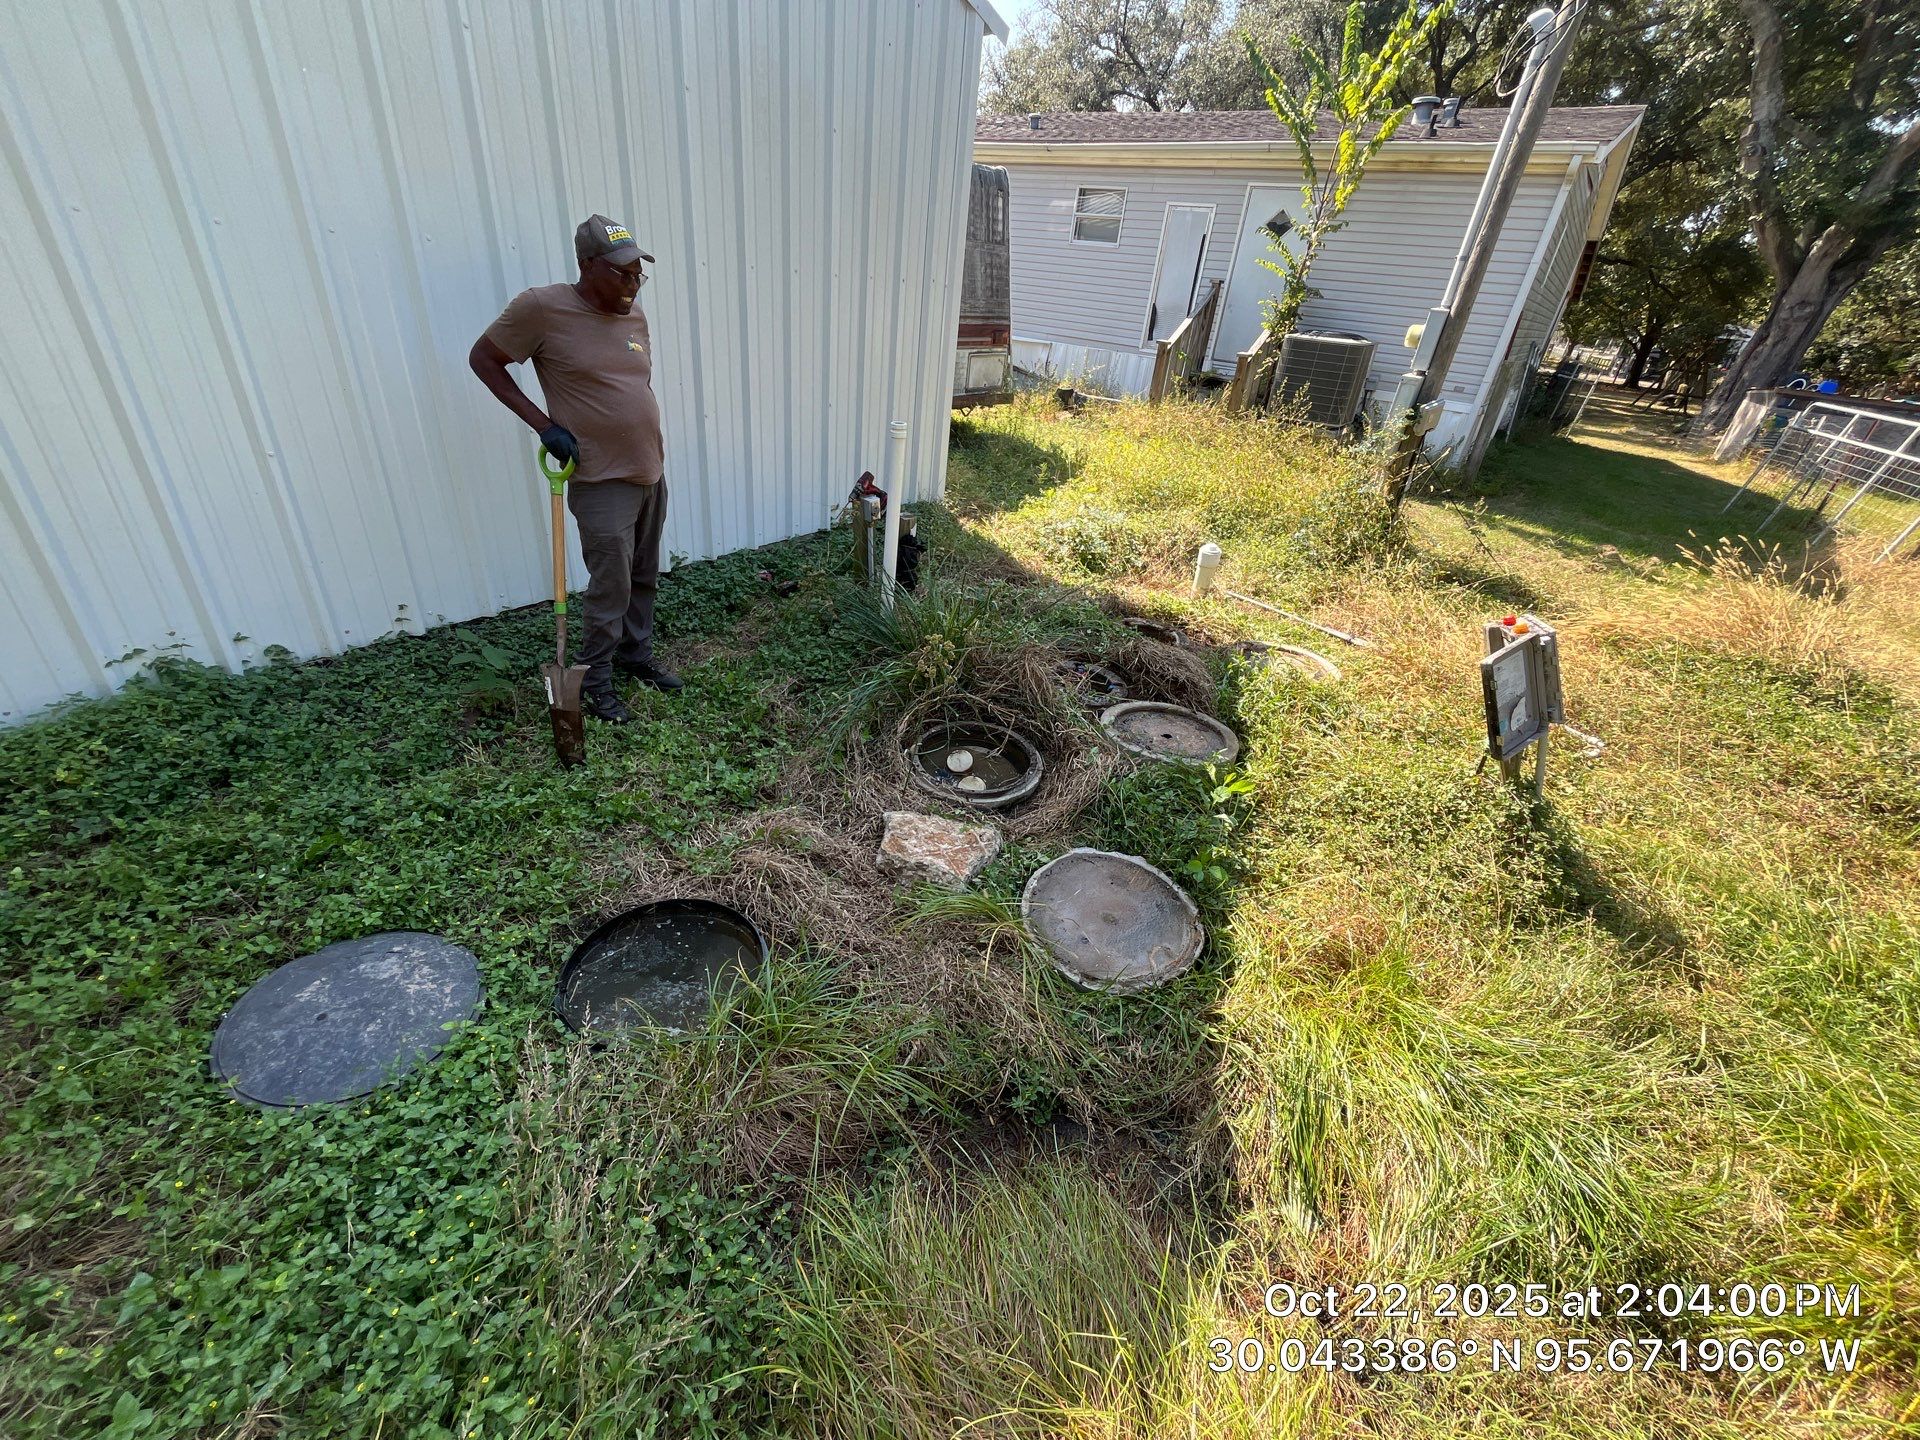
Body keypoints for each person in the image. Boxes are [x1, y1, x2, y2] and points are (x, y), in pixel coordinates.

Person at [468, 214, 682, 725]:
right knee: (611, 584)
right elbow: (484, 359)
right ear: (587, 266)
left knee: (643, 574)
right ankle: (596, 679)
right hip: (600, 477)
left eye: (638, 274)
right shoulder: (542, 308)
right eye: (622, 274)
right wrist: (544, 425)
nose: (632, 284)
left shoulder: (634, 317)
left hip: (649, 469)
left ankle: (635, 654)